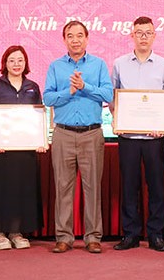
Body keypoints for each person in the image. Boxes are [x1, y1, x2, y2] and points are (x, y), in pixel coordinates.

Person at [43, 20, 113, 254]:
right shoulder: (55, 66)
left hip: (91, 133)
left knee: (92, 187)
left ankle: (93, 237)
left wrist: (84, 87)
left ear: (87, 38)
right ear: (64, 40)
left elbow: (108, 94)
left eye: (79, 35)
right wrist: (69, 91)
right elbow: (48, 98)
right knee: (63, 187)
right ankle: (64, 237)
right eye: (70, 36)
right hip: (63, 133)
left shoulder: (98, 64)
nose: (75, 40)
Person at [111, 17, 164, 253]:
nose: (143, 37)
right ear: (132, 35)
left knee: (156, 187)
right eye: (139, 32)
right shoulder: (119, 64)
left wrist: (163, 125)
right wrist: (119, 118)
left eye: (148, 33)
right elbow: (114, 97)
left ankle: (156, 234)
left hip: (155, 138)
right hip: (128, 137)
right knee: (129, 187)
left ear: (154, 36)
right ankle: (131, 234)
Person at [0, 45, 45, 250]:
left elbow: (39, 115)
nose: (16, 64)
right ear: (5, 63)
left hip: (25, 150)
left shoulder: (33, 86)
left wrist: (40, 139)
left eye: (20, 60)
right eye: (12, 60)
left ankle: (17, 232)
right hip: (1, 149)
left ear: (26, 63)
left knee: (22, 190)